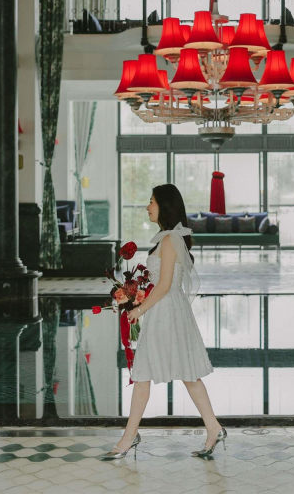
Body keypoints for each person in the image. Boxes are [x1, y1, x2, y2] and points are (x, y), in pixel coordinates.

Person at [101, 184, 225, 460]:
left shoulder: (170, 240)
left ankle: (129, 437)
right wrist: (135, 295)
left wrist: (139, 309)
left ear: (164, 206)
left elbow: (165, 284)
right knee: (181, 374)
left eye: (152, 202)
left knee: (151, 374)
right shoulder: (169, 238)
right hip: (167, 311)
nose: (148, 207)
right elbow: (161, 284)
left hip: (166, 313)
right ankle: (213, 428)